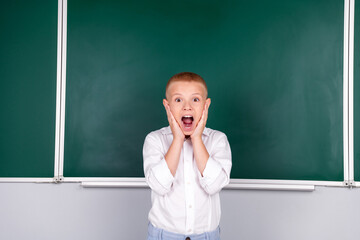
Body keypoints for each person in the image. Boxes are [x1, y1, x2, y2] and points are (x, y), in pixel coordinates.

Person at [143, 72, 232, 240]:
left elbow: (214, 185)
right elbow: (159, 186)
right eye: (178, 100)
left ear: (206, 105)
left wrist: (197, 138)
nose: (187, 107)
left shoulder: (217, 140)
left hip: (207, 236)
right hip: (162, 235)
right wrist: (177, 139)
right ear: (167, 105)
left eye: (195, 100)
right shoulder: (155, 140)